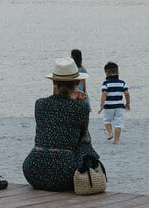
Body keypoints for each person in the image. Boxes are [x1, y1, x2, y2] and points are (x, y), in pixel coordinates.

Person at [22, 58, 98, 191]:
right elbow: (83, 135)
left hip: (33, 171)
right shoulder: (80, 108)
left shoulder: (39, 104)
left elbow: (55, 119)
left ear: (53, 81)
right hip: (64, 174)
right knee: (84, 142)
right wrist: (80, 103)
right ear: (78, 82)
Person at [98, 61, 130, 144]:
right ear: (118, 72)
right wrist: (127, 103)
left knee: (106, 121)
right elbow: (126, 93)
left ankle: (110, 133)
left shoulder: (106, 83)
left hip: (109, 105)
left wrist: (101, 105)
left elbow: (104, 94)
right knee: (118, 123)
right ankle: (116, 140)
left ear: (106, 73)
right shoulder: (122, 83)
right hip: (119, 105)